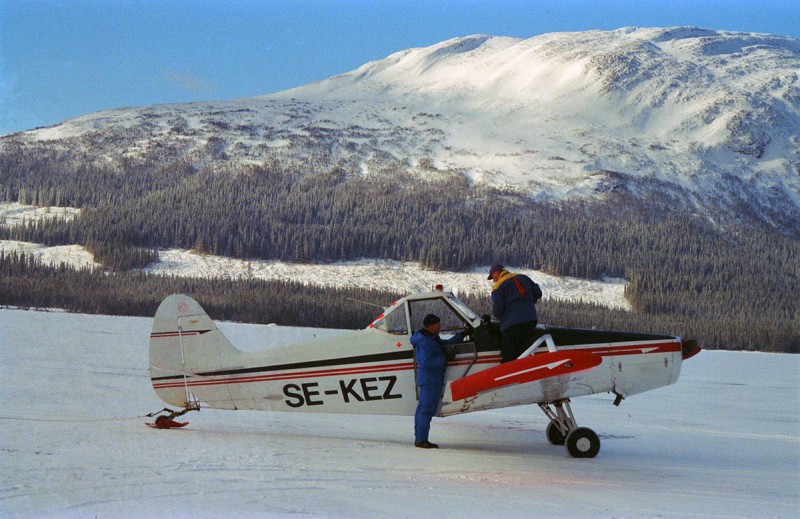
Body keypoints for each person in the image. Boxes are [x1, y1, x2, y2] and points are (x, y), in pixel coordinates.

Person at [410, 313, 464, 449]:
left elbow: (443, 344)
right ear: (432, 326)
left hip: (428, 379)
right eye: (438, 325)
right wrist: (445, 359)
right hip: (430, 379)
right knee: (426, 409)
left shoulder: (430, 338)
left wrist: (460, 336)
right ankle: (421, 440)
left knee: (422, 408)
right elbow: (426, 362)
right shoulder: (426, 341)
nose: (440, 327)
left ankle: (419, 437)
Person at [488, 263, 542, 363]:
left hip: (512, 324)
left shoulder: (498, 286)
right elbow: (538, 292)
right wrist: (528, 302)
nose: (493, 280)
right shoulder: (523, 277)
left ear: (497, 272)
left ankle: (507, 376)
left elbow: (497, 310)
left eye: (493, 276)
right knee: (525, 351)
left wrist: (501, 318)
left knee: (508, 354)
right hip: (531, 319)